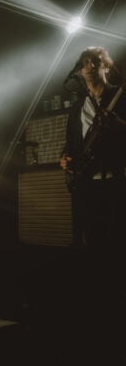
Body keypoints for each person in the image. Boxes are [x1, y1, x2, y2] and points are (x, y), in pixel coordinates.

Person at [59, 46, 126, 270]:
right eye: (84, 62)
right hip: (86, 184)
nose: (89, 66)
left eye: (95, 61)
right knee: (92, 243)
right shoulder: (77, 107)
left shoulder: (121, 96)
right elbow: (71, 143)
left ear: (106, 66)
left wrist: (118, 125)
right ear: (79, 71)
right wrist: (65, 159)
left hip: (116, 181)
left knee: (118, 242)